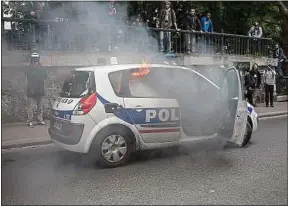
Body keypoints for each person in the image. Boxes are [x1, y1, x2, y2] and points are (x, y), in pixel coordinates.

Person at [25, 53, 47, 127]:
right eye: (34, 60)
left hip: (40, 90)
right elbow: (29, 77)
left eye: (36, 60)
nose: (35, 62)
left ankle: (39, 120)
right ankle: (29, 121)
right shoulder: (28, 69)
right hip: (31, 91)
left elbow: (45, 76)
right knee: (30, 107)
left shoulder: (42, 68)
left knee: (40, 107)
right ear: (31, 60)